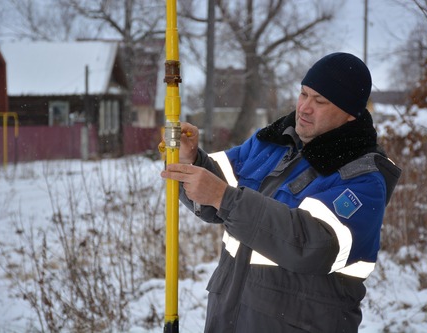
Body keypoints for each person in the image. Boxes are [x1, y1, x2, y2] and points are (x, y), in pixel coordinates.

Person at [161, 52, 401, 333]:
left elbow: (312, 245)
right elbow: (221, 191)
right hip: (229, 316)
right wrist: (192, 160)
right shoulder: (273, 143)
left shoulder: (364, 179)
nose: (305, 108)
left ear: (350, 114)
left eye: (320, 101)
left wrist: (223, 197)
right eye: (304, 94)